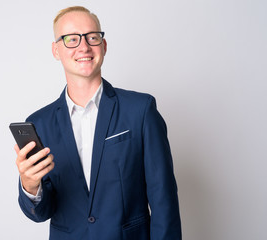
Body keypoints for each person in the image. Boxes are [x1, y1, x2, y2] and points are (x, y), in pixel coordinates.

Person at [14, 6, 182, 240]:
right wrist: (30, 186)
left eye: (92, 37)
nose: (84, 46)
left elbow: (164, 199)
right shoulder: (39, 124)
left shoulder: (141, 110)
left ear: (103, 45)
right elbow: (41, 213)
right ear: (56, 50)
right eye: (71, 39)